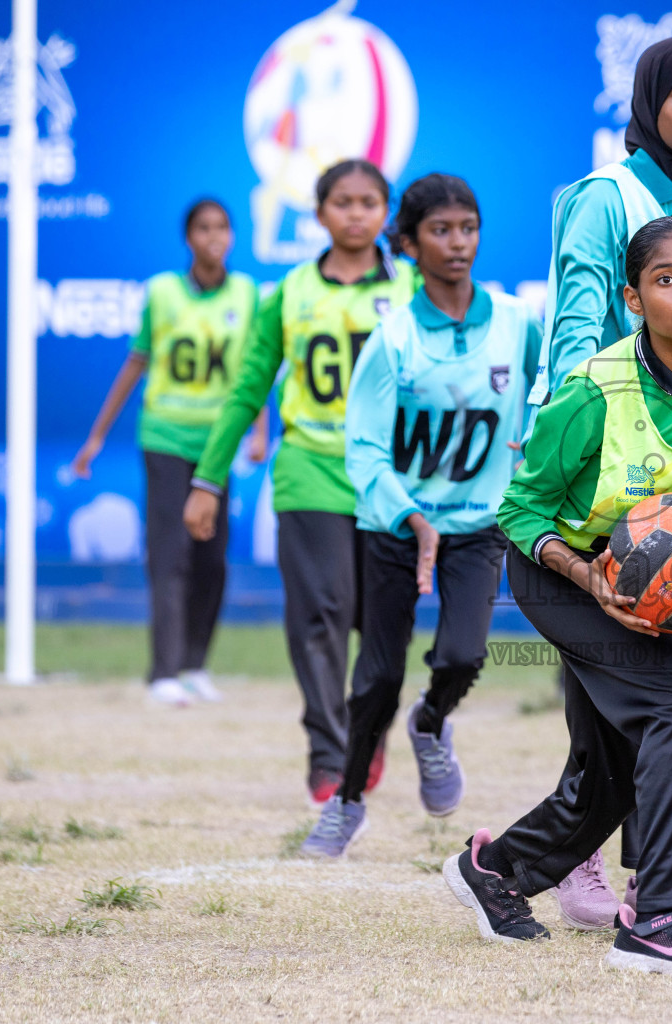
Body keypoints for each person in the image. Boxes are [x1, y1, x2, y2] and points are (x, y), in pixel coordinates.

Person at [442, 216, 672, 975]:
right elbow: (520, 510)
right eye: (665, 280)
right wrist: (586, 574)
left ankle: (495, 873)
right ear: (633, 297)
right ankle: (659, 916)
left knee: (617, 771)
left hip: (643, 572)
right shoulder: (592, 390)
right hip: (559, 568)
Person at [527, 36, 672, 929]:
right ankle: (589, 864)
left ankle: (636, 867)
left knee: (642, 649)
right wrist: (603, 433)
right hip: (591, 457)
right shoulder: (606, 197)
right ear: (649, 102)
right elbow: (578, 324)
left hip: (667, 451)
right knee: (616, 662)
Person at [298, 174, 541, 857]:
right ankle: (345, 803)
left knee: (463, 654)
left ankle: (431, 724)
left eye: (468, 227)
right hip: (398, 531)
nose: (457, 242)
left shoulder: (520, 322)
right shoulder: (393, 340)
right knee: (376, 676)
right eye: (440, 230)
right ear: (406, 244)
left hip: (480, 526)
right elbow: (366, 449)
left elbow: (554, 390)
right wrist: (412, 517)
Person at [183, 160, 421, 805]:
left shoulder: (413, 291)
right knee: (319, 615)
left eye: (369, 202)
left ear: (385, 213)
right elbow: (246, 391)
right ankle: (326, 751)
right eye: (341, 202)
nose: (355, 213)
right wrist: (208, 479)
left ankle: (366, 735)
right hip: (309, 472)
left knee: (382, 626)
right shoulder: (286, 294)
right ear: (318, 214)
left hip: (391, 483)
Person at [71, 198, 265, 707]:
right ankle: (163, 672)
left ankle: (195, 665)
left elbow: (256, 369)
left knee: (212, 557)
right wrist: (96, 435)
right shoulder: (161, 292)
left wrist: (261, 431)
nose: (214, 237)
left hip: (218, 445)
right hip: (165, 437)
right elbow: (135, 364)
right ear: (188, 238)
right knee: (169, 553)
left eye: (222, 227)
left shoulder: (246, 294)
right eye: (203, 228)